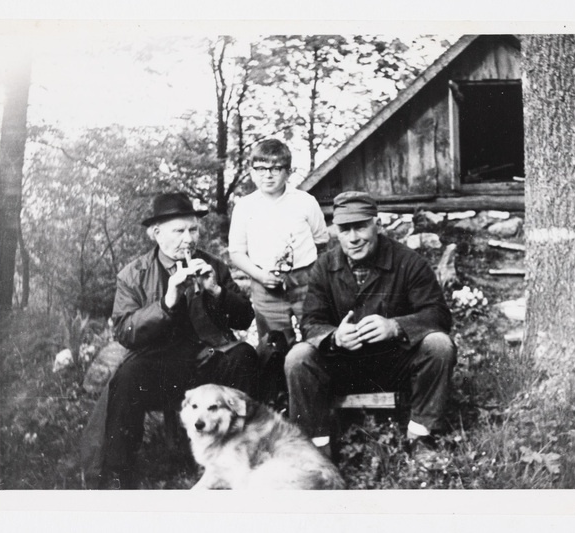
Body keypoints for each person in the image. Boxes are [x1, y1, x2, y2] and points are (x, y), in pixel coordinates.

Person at [81, 192, 259, 489]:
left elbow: (245, 319)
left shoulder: (214, 265)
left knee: (243, 356)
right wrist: (166, 302)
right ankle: (119, 473)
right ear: (156, 233)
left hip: (208, 360)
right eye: (179, 231)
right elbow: (124, 331)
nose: (188, 239)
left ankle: (237, 457)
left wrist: (216, 291)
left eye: (193, 230)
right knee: (127, 376)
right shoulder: (133, 274)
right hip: (161, 366)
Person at [284, 191, 457, 459]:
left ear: (377, 224)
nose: (353, 238)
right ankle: (316, 448)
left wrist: (395, 326)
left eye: (361, 227)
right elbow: (311, 322)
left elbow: (439, 315)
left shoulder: (408, 262)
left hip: (394, 365)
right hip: (342, 366)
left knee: (439, 345)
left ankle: (421, 437)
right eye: (345, 229)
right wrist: (335, 337)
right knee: (298, 357)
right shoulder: (324, 266)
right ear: (336, 232)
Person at [228, 139, 329, 401]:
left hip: (306, 280)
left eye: (276, 168)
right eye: (261, 169)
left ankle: (319, 395)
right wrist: (260, 275)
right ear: (251, 172)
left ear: (288, 171)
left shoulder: (305, 202)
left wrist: (310, 274)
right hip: (265, 283)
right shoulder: (245, 207)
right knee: (274, 344)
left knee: (316, 335)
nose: (268, 175)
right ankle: (280, 400)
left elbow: (321, 241)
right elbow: (236, 252)